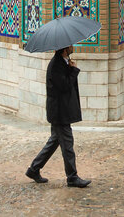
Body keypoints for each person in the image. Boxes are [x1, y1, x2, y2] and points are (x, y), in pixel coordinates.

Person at [25, 46, 90, 188]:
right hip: (59, 113)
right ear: (65, 49)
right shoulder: (55, 65)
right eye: (70, 45)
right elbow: (65, 86)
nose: (73, 46)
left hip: (61, 111)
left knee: (54, 141)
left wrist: (70, 67)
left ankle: (34, 169)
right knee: (67, 145)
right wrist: (73, 70)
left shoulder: (62, 62)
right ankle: (72, 177)